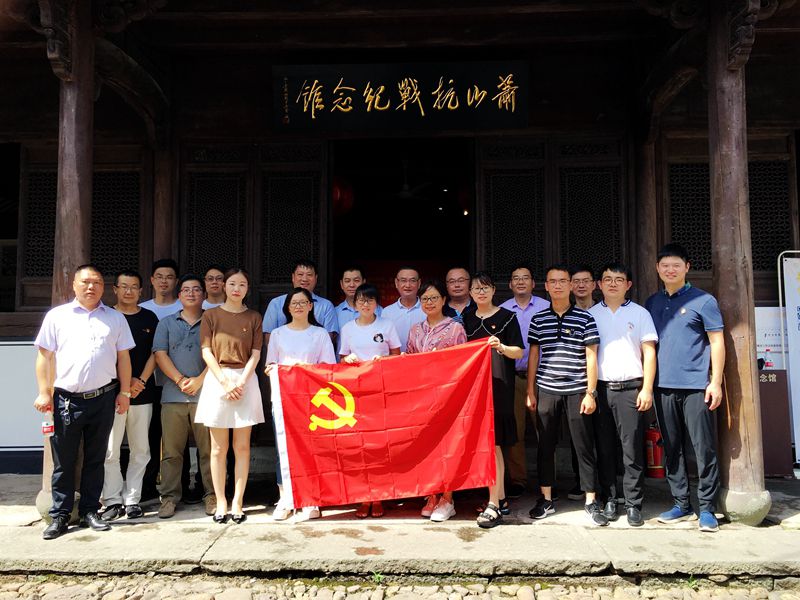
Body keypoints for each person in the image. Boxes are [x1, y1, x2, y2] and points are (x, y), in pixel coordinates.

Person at [34, 264, 135, 540]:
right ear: (74, 285)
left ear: (104, 287)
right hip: (66, 400)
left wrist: (125, 393)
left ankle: (91, 510)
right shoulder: (57, 317)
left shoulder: (115, 318)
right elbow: (44, 357)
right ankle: (60, 515)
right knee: (63, 461)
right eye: (86, 282)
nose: (91, 287)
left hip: (103, 397)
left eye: (97, 282)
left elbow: (123, 358)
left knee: (96, 457)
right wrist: (44, 392)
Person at [645, 243, 725, 533]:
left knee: (703, 448)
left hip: (695, 386)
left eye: (676, 265)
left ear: (687, 268)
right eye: (665, 265)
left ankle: (708, 508)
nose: (670, 270)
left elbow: (717, 341)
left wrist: (715, 382)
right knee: (672, 447)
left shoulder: (704, 300)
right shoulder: (652, 302)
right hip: (662, 385)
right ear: (657, 269)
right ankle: (681, 503)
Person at [526, 264, 608, 526]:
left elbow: (591, 356)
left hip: (577, 389)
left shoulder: (585, 318)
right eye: (553, 281)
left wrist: (590, 393)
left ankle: (591, 500)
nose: (558, 285)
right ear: (546, 286)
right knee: (545, 446)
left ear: (571, 285)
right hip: (547, 388)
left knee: (583, 446)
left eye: (563, 281)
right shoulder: (538, 319)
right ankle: (546, 499)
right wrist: (530, 391)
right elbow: (534, 356)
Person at [589, 263, 658, 527]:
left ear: (628, 284)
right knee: (604, 448)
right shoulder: (591, 314)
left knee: (631, 450)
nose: (613, 283)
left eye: (619, 279)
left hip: (631, 389)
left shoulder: (640, 313)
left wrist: (647, 388)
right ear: (599, 284)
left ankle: (633, 503)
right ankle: (609, 498)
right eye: (607, 279)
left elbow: (649, 352)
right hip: (601, 390)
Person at [196, 268, 265, 524]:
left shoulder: (254, 317)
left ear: (248, 289)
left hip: (246, 379)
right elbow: (206, 351)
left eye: (242, 284)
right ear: (224, 286)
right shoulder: (210, 315)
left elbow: (256, 354)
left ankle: (238, 500)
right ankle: (221, 501)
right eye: (233, 283)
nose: (237, 289)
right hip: (218, 379)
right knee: (217, 448)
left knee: (242, 446)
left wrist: (241, 382)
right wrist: (225, 382)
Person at [265, 287, 337, 521]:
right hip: (283, 399)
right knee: (283, 449)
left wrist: (305, 370)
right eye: (294, 303)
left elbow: (328, 368)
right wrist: (283, 370)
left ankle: (311, 498)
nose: (298, 306)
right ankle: (285, 498)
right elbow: (270, 366)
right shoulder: (277, 334)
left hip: (312, 400)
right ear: (287, 307)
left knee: (312, 448)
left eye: (303, 302)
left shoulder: (320, 334)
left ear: (310, 306)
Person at [463, 272, 524, 528]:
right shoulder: (466, 318)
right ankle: (499, 498)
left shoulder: (507, 317)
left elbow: (519, 352)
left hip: (499, 386)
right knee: (484, 442)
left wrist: (501, 347)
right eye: (476, 288)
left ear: (493, 291)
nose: (481, 292)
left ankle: (495, 504)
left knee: (495, 442)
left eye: (485, 288)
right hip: (474, 389)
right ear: (470, 293)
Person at [152, 274, 215, 519]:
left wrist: (200, 380)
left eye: (196, 289)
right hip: (172, 395)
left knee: (209, 450)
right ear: (179, 296)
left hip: (206, 395)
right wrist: (179, 380)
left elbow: (220, 356)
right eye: (186, 290)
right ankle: (169, 498)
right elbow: (160, 354)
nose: (191, 293)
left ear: (204, 295)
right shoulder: (166, 323)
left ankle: (211, 494)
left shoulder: (212, 320)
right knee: (171, 452)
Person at [100, 270, 159, 522]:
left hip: (142, 391)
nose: (129, 291)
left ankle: (133, 499)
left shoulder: (149, 317)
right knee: (110, 449)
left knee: (140, 449)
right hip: (112, 392)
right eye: (124, 286)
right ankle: (112, 500)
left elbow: (156, 352)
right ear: (115, 289)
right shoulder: (107, 316)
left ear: (141, 291)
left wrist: (140, 381)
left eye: (134, 287)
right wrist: (124, 382)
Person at [406, 280, 467, 522]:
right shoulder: (415, 330)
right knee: (426, 446)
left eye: (433, 298)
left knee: (447, 447)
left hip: (447, 395)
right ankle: (431, 494)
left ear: (443, 300)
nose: (429, 302)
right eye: (425, 299)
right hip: (422, 396)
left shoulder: (455, 328)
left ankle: (448, 498)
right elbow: (410, 360)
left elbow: (463, 362)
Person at [339, 283, 401, 518]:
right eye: (361, 300)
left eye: (370, 300)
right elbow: (342, 359)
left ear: (377, 304)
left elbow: (397, 355)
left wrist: (383, 361)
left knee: (381, 446)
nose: (365, 304)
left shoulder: (387, 325)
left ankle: (380, 497)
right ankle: (364, 498)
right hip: (356, 394)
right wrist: (347, 360)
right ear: (355, 304)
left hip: (381, 392)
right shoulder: (347, 328)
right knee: (360, 447)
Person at [498, 263, 550, 500]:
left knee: (545, 430)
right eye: (516, 278)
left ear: (533, 283)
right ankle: (518, 479)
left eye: (525, 277)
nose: (520, 281)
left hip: (542, 377)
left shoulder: (545, 307)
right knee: (516, 432)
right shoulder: (502, 310)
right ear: (510, 284)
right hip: (514, 378)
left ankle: (547, 480)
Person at [138, 258, 182, 502]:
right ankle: (148, 485)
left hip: (176, 383)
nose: (164, 281)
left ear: (176, 281)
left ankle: (179, 485)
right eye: (160, 277)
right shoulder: (142, 309)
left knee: (177, 439)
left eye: (169, 277)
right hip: (148, 383)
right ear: (152, 280)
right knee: (150, 435)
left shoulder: (184, 307)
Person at [566, 264, 597, 500]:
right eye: (576, 281)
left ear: (594, 284)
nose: (581, 285)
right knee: (578, 436)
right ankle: (581, 482)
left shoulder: (603, 311)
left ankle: (607, 483)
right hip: (576, 383)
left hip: (602, 380)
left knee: (604, 435)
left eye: (585, 280)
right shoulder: (566, 313)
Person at [263, 259, 339, 349]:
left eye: (309, 275)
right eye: (300, 274)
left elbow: (328, 340)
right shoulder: (276, 303)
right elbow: (269, 338)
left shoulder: (326, 306)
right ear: (293, 277)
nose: (304, 279)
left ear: (316, 278)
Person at [382, 267, 426, 352]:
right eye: (403, 280)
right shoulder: (387, 312)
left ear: (419, 283)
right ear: (396, 283)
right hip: (395, 359)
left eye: (412, 280)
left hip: (422, 358)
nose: (408, 285)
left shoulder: (427, 309)